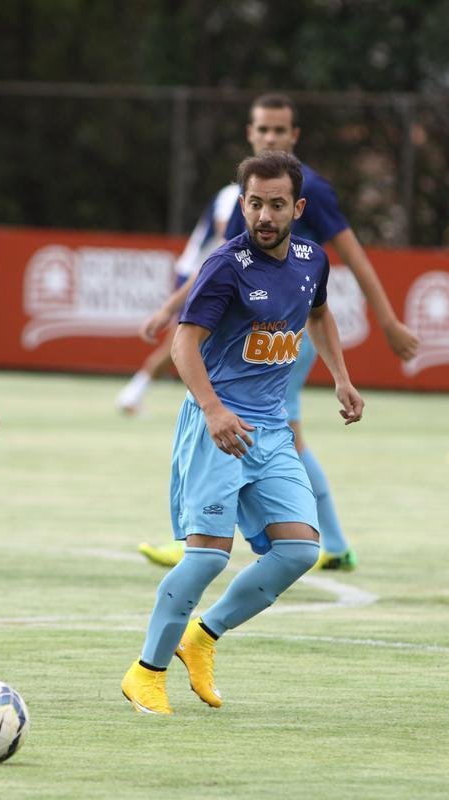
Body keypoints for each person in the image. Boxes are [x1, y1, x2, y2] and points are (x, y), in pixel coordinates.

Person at [121, 150, 364, 715]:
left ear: (297, 207)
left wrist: (341, 379)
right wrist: (212, 411)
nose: (264, 216)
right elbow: (184, 343)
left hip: (272, 428)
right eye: (254, 203)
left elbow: (320, 315)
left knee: (302, 549)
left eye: (276, 205)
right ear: (243, 204)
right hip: (218, 425)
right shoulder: (225, 266)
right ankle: (146, 672)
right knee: (206, 557)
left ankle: (202, 638)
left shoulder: (312, 259)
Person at [138, 93, 418, 571]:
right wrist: (170, 306)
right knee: (274, 434)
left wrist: (388, 319)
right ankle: (315, 538)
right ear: (250, 133)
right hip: (243, 335)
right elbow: (219, 270)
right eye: (262, 129)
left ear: (294, 136)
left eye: (278, 130)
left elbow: (355, 258)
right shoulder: (246, 197)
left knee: (279, 435)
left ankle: (218, 536)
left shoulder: (315, 192)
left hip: (279, 337)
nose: (270, 137)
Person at [115, 183, 240, 413]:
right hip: (199, 272)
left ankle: (134, 393)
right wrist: (168, 308)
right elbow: (227, 241)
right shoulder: (231, 195)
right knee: (183, 341)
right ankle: (132, 393)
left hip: (224, 272)